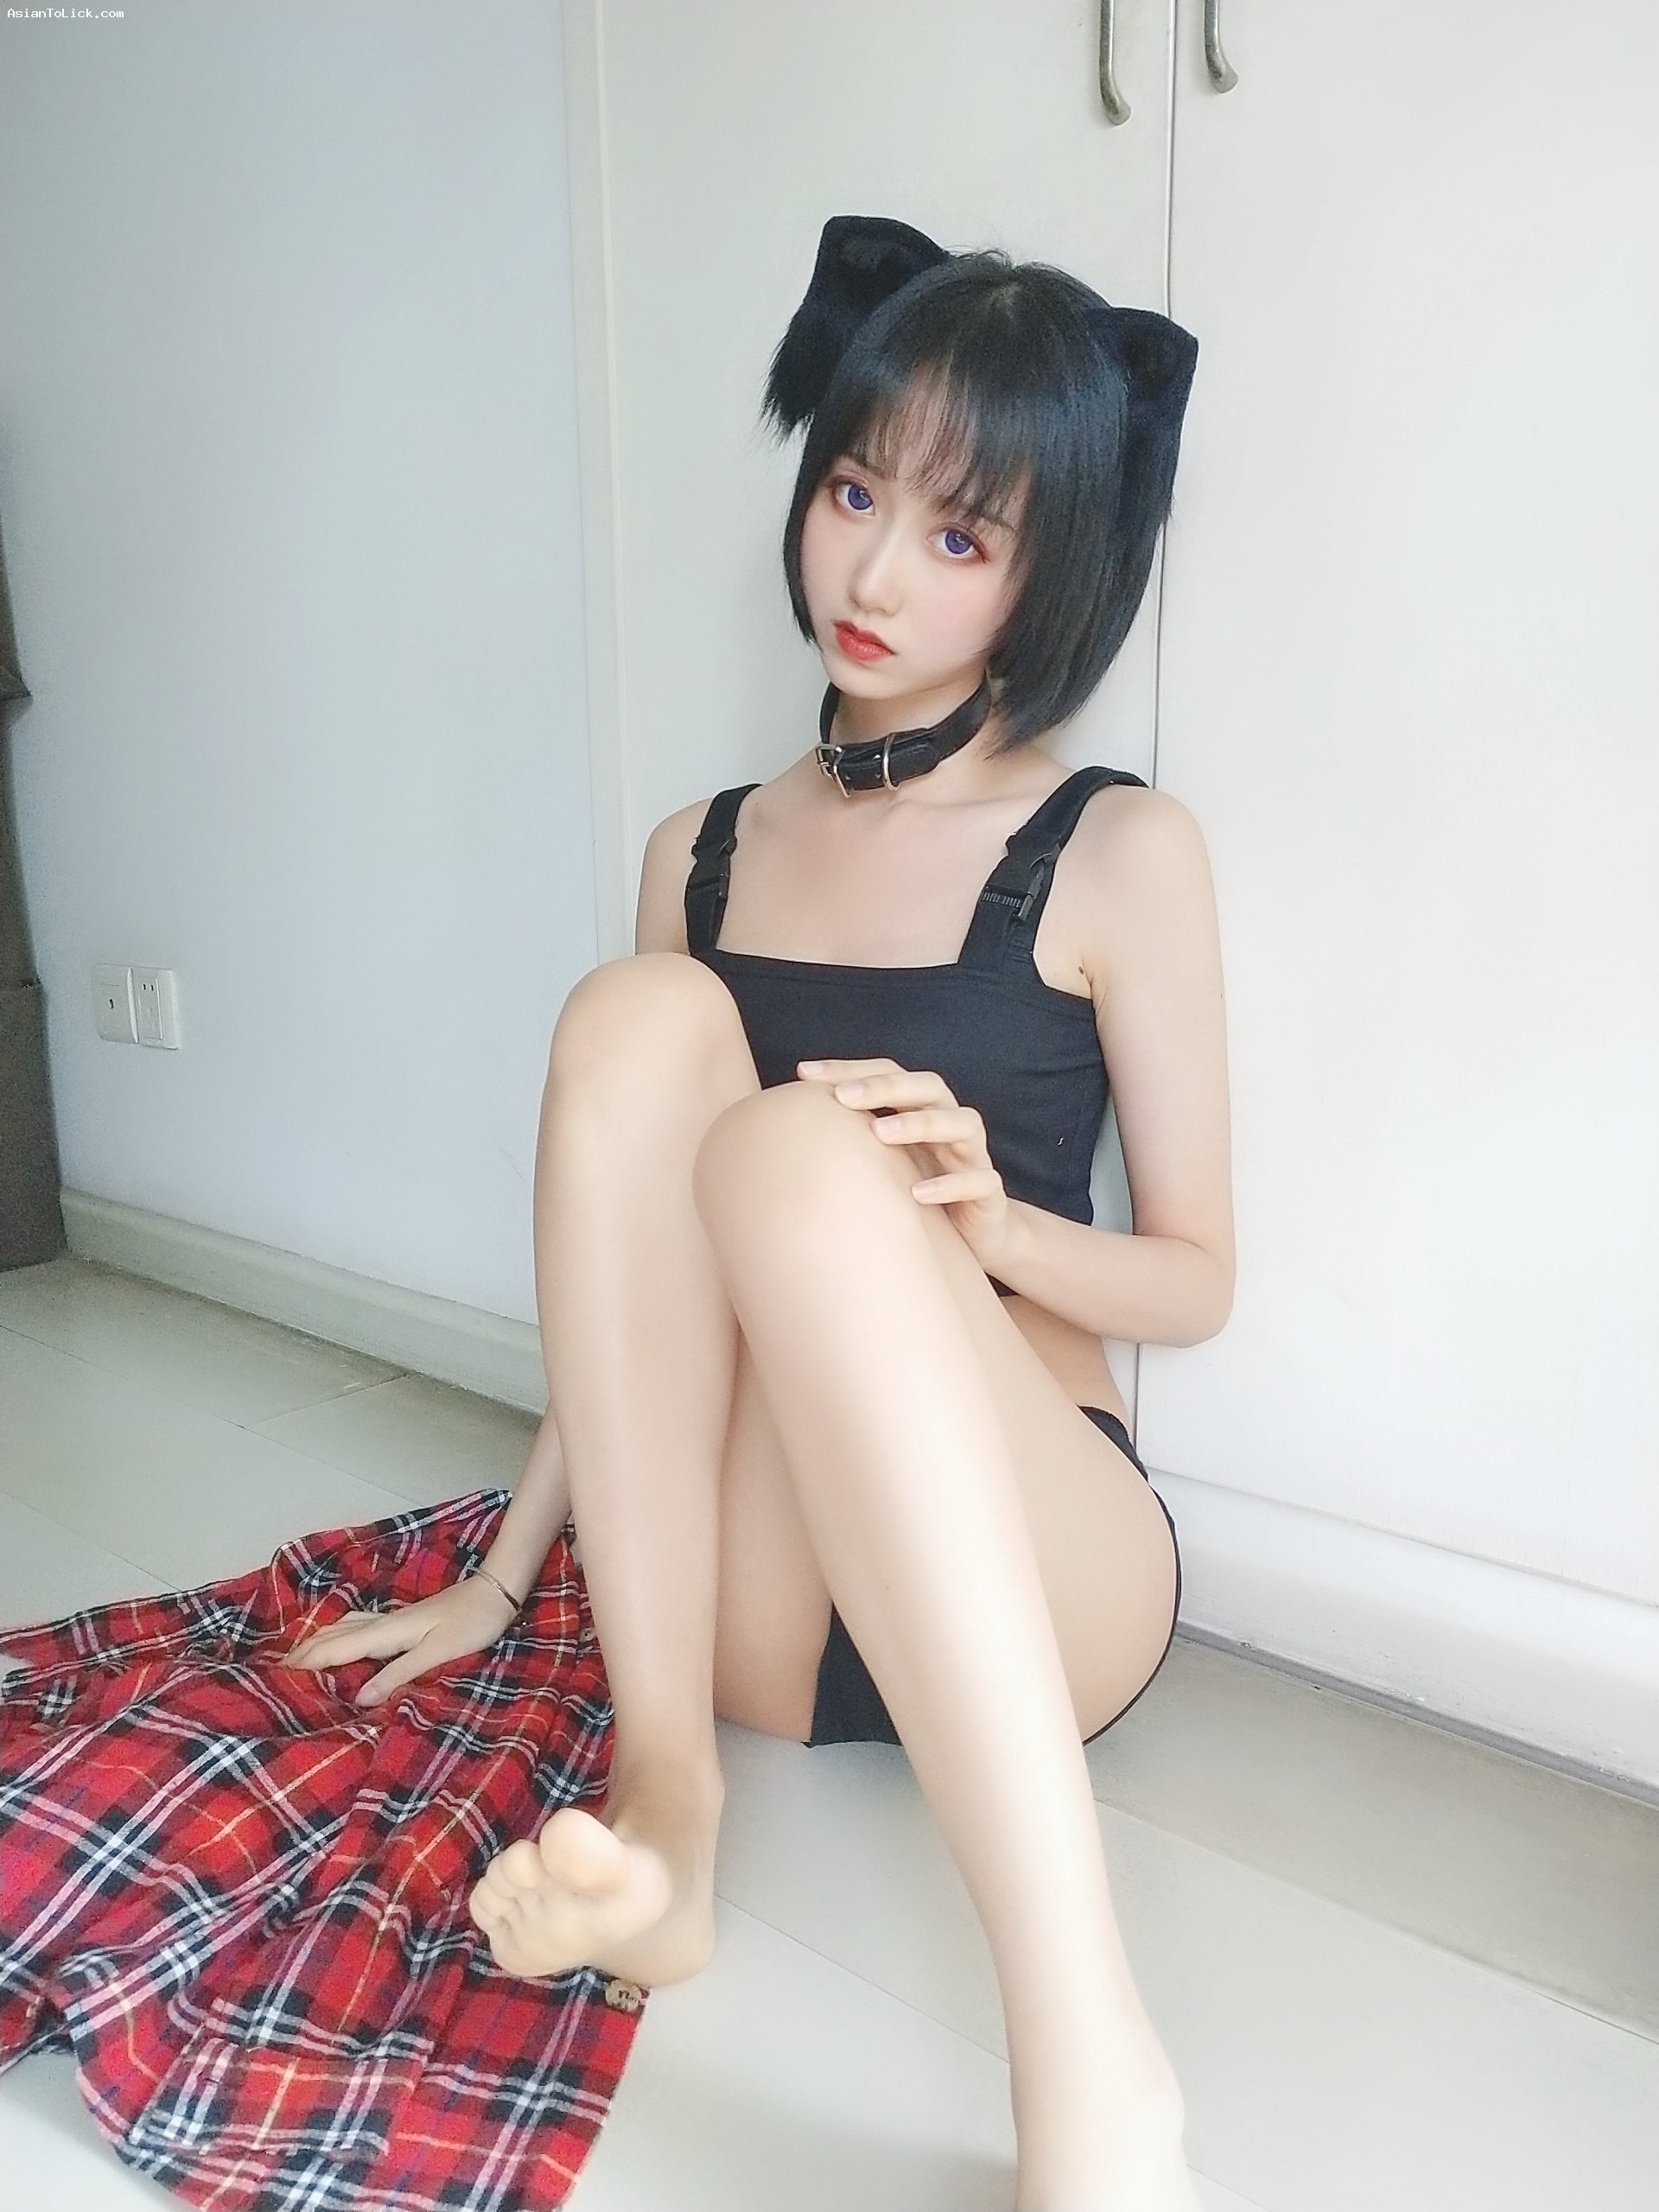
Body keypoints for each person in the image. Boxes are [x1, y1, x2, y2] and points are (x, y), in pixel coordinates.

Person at [284, 214, 1233, 2211]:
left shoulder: (1116, 846)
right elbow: (628, 1277)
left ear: (1056, 571)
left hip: (1038, 1561)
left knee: (802, 1154)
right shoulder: (697, 852)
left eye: (958, 535)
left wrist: (989, 1226)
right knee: (634, 1024)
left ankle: (1093, 2061)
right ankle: (671, 1817)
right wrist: (504, 1568)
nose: (873, 574)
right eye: (855, 491)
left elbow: (1199, 1276)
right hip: (748, 1615)